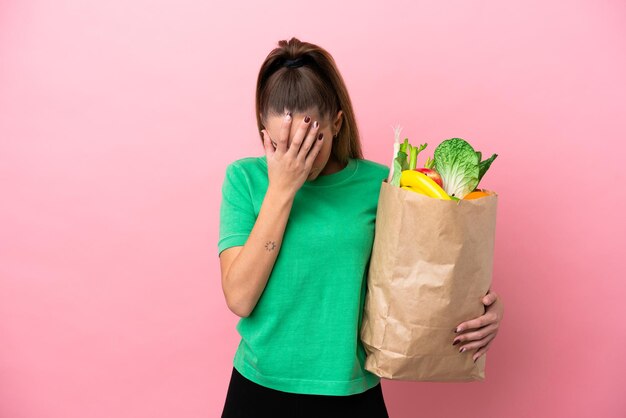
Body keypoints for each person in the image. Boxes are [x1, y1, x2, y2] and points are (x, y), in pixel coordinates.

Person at [218, 37, 504, 418]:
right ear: (264, 132)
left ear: (335, 123)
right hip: (258, 391)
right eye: (282, 146)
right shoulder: (244, 179)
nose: (295, 160)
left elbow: (422, 281)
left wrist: (485, 310)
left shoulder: (379, 186)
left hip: (352, 394)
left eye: (309, 144)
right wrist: (282, 189)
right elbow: (239, 298)